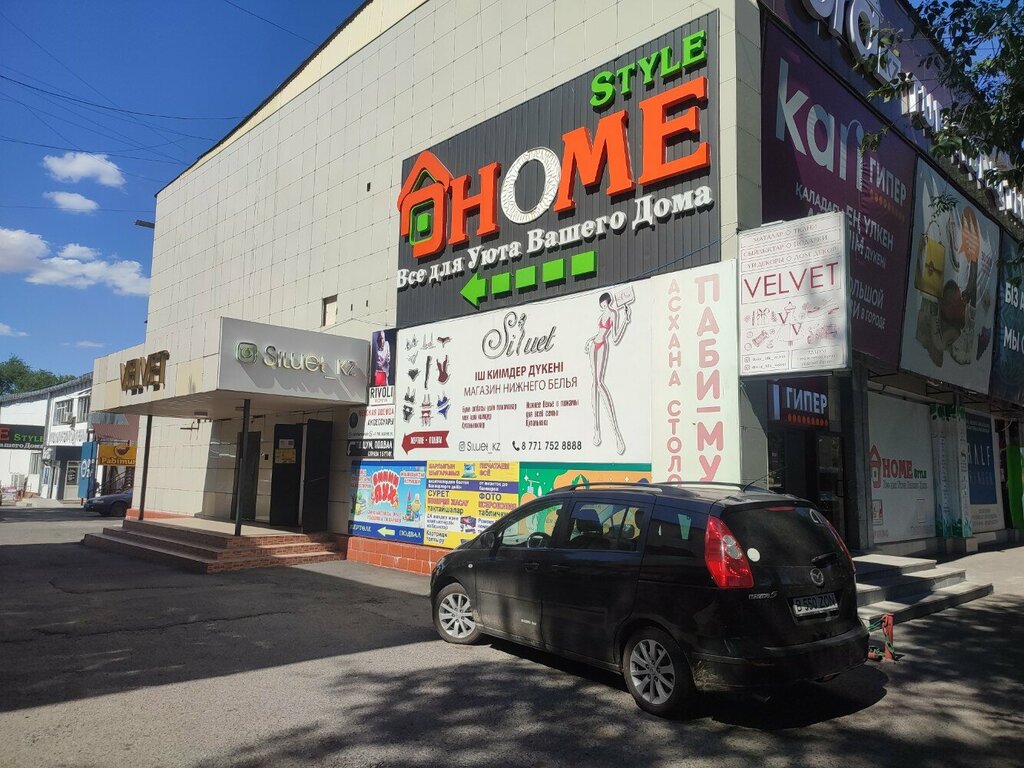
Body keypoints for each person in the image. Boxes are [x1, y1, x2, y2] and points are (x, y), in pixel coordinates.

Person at [584, 292, 631, 454]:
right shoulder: (603, 314)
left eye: (604, 303)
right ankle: (596, 428)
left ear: (608, 302)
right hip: (593, 345)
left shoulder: (613, 313)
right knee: (594, 383)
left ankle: (616, 433)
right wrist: (589, 340)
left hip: (603, 345)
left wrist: (626, 320)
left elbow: (615, 337)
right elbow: (598, 332)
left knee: (599, 383)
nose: (602, 305)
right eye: (601, 304)